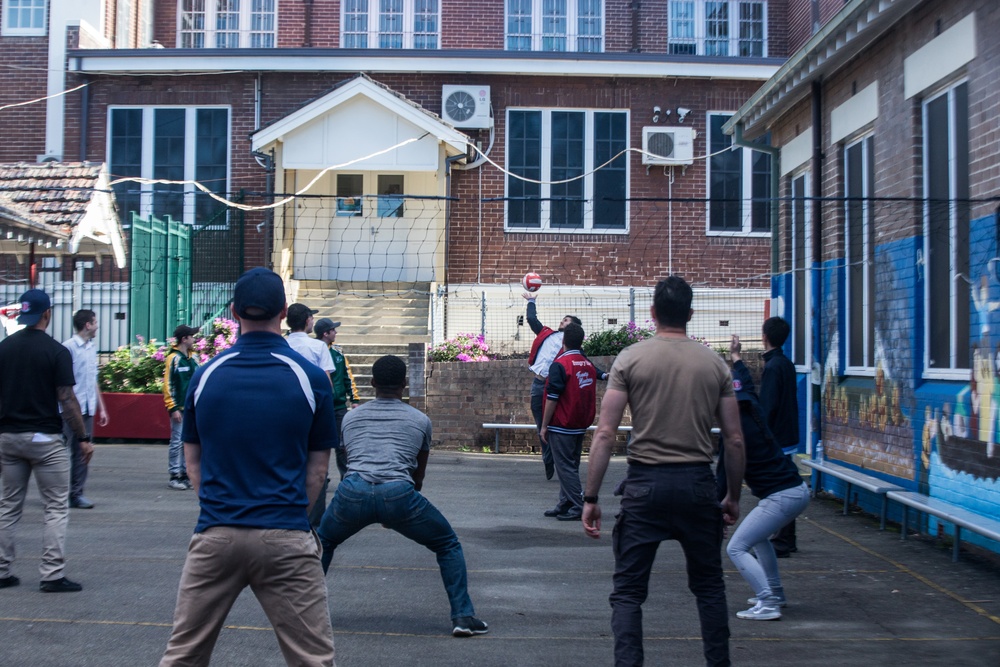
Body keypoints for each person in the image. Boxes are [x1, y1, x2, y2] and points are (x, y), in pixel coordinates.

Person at [160, 267, 337, 666]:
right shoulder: (311, 379)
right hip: (285, 534)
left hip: (217, 532)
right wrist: (292, 517)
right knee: (313, 659)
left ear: (235, 311)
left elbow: (193, 462)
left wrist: (221, 509)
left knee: (184, 655)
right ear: (285, 311)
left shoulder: (205, 376)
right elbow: (317, 473)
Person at [581, 275, 745, 667]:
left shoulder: (631, 359)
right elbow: (735, 440)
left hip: (645, 487)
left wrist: (590, 498)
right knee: (708, 587)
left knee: (628, 593)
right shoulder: (715, 365)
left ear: (653, 312)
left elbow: (604, 433)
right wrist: (733, 497)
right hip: (697, 485)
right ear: (690, 314)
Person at [317, 355, 488, 638]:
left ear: (372, 383)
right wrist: (395, 510)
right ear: (405, 384)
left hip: (353, 491)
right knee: (447, 545)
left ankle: (303, 616)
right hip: (398, 493)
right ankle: (463, 617)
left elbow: (349, 460)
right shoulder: (420, 420)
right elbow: (417, 475)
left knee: (323, 543)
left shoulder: (350, 417)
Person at [0, 288, 91, 593]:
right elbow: (67, 400)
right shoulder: (56, 351)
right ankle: (51, 574)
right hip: (45, 440)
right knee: (55, 507)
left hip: (9, 438)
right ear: (47, 314)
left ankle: (2, 570)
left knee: (9, 506)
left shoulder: (4, 348)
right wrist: (83, 437)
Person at [719, 335, 809, 621]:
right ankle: (776, 592)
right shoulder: (752, 407)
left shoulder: (734, 435)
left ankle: (768, 602)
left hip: (781, 497)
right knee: (759, 540)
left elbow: (722, 480)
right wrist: (735, 356)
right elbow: (744, 380)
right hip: (795, 491)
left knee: (737, 547)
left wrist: (716, 513)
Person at [523, 293, 606, 479]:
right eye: (562, 319)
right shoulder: (546, 333)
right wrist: (531, 301)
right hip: (538, 383)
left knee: (554, 424)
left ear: (574, 326)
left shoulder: (572, 345)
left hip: (556, 387)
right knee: (540, 425)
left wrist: (603, 375)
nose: (562, 321)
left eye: (567, 320)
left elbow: (587, 364)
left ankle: (558, 459)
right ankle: (548, 458)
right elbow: (531, 319)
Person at [539, 322, 597, 521]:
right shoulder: (587, 363)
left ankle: (579, 505)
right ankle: (565, 502)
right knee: (571, 465)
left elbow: (553, 397)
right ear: (581, 342)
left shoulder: (560, 364)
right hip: (580, 423)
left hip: (562, 423)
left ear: (563, 341)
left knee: (564, 467)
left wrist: (544, 426)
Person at [307, 317, 359, 529]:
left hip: (338, 407)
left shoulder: (338, 355)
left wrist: (354, 399)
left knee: (342, 446)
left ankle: (346, 482)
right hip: (320, 407)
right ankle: (319, 482)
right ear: (325, 333)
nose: (335, 333)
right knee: (318, 447)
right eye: (333, 331)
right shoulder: (314, 352)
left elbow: (348, 378)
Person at [756, 316, 801, 557]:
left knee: (778, 488)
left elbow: (768, 405)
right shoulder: (786, 363)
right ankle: (786, 537)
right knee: (786, 485)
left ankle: (782, 539)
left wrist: (763, 435)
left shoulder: (773, 367)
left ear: (765, 337)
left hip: (777, 438)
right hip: (788, 434)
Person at [62, 309, 108, 509]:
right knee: (60, 451)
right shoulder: (69, 348)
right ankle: (59, 491)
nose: (97, 325)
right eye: (95, 322)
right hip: (70, 409)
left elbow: (93, 380)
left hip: (88, 408)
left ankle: (76, 493)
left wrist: (102, 408)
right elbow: (64, 382)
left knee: (83, 453)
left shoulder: (91, 348)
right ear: (87, 325)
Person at [163, 324, 199, 491]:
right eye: (192, 336)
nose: (194, 339)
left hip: (192, 407)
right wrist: (172, 407)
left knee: (189, 440)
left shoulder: (193, 358)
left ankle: (185, 474)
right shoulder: (173, 358)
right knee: (177, 441)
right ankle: (174, 475)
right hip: (179, 407)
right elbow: (168, 384)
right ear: (184, 339)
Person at [286, 303, 335, 377]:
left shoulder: (280, 345)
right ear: (308, 320)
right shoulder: (319, 346)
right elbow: (326, 381)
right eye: (312, 319)